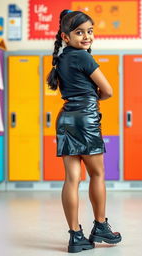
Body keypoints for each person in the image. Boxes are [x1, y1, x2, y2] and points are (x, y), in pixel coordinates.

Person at [47, 9, 122, 253]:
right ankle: (100, 225)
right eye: (79, 32)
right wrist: (92, 99)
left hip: (66, 119)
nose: (86, 37)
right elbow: (108, 91)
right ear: (66, 36)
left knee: (71, 179)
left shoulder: (62, 58)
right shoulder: (84, 57)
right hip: (86, 121)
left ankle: (75, 236)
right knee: (97, 175)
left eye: (90, 31)